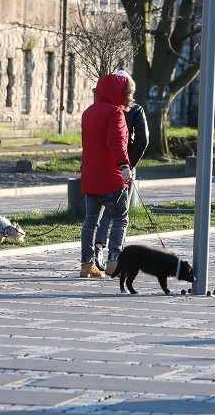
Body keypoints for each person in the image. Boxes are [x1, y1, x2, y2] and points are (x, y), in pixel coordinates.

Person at [78, 72, 134, 278]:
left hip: (90, 176)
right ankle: (114, 263)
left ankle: (87, 265)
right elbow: (117, 143)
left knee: (90, 221)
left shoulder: (88, 112)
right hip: (111, 176)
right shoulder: (115, 113)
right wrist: (124, 166)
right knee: (120, 219)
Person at [94, 70, 149, 271]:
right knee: (119, 212)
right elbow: (142, 139)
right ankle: (115, 258)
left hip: (99, 164)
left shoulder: (98, 107)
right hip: (122, 163)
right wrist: (130, 163)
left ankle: (97, 248)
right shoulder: (134, 109)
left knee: (98, 211)